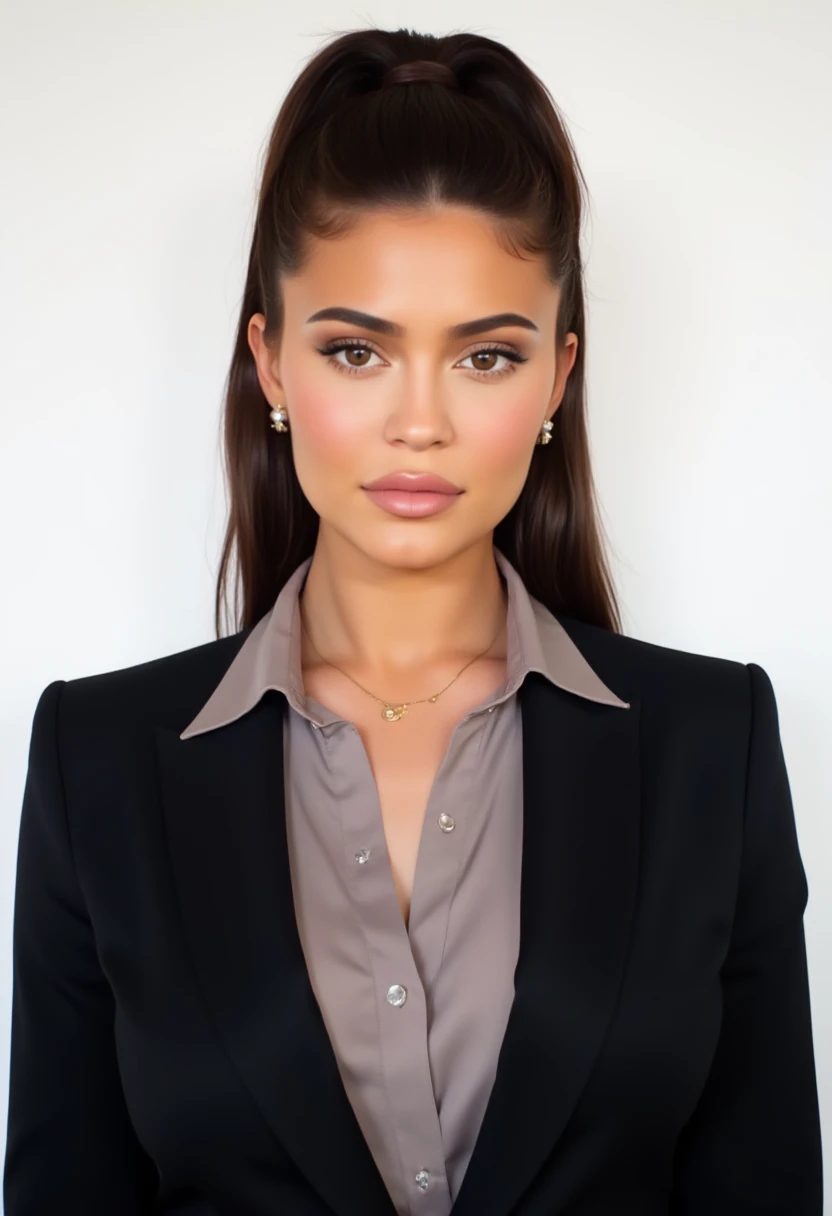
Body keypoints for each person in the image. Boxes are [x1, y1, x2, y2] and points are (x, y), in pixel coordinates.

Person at [3, 24, 822, 1216]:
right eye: (355, 350)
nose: (419, 422)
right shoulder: (99, 760)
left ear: (556, 378)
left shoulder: (713, 742)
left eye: (485, 357)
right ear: (271, 363)